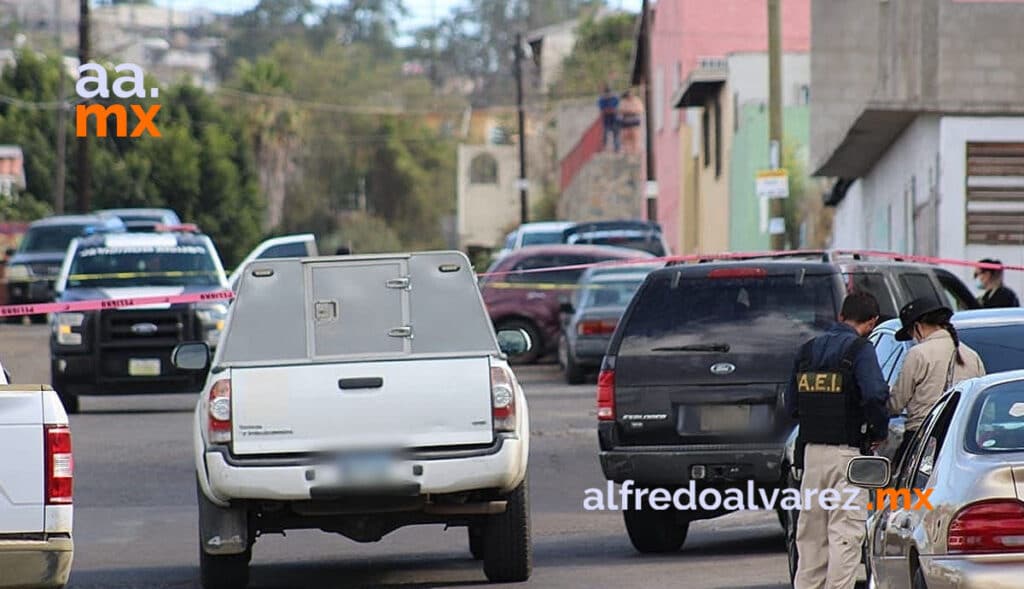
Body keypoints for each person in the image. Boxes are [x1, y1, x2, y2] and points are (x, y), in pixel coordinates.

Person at [785, 291, 890, 589]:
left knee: (810, 540)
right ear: (872, 322)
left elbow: (790, 405)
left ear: (841, 316)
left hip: (811, 457)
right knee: (845, 535)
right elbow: (874, 395)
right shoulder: (860, 349)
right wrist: (878, 432)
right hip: (848, 457)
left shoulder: (807, 350)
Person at [889, 297, 985, 466]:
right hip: (962, 443)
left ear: (917, 327)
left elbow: (896, 403)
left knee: (901, 491)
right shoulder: (972, 356)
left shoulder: (918, 354)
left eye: (911, 334)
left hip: (921, 440)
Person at [618, 89, 644, 154]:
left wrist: (631, 111)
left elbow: (640, 110)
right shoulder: (623, 101)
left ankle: (635, 151)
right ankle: (627, 152)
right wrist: (629, 111)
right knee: (625, 137)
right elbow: (620, 110)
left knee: (635, 137)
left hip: (634, 122)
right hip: (625, 122)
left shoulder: (637, 100)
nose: (630, 96)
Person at [597, 85, 620, 152]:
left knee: (616, 135)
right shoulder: (602, 100)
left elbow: (617, 108)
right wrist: (609, 110)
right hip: (606, 120)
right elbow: (602, 109)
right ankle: (604, 147)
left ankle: (617, 148)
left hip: (615, 119)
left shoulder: (615, 98)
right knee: (605, 135)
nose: (608, 95)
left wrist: (612, 110)